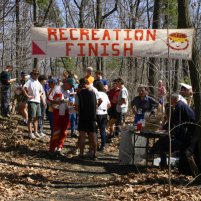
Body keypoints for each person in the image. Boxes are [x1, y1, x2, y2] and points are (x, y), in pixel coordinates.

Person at [150, 93, 195, 170]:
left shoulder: (179, 107)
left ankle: (153, 154)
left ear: (173, 100)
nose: (168, 101)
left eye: (169, 100)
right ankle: (157, 158)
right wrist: (164, 128)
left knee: (162, 144)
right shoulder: (179, 105)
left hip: (188, 137)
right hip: (184, 135)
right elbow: (173, 122)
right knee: (162, 142)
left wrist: (169, 132)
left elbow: (177, 124)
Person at [75, 78, 97, 159]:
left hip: (83, 116)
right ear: (87, 84)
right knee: (93, 134)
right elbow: (96, 104)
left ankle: (81, 154)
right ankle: (94, 153)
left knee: (82, 135)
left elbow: (77, 107)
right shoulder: (93, 93)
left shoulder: (78, 94)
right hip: (92, 116)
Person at [23, 69, 43, 139]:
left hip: (38, 101)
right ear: (32, 74)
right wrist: (28, 95)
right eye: (34, 74)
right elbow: (24, 88)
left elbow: (41, 91)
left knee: (37, 117)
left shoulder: (38, 82)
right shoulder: (29, 81)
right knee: (31, 117)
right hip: (31, 101)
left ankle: (36, 132)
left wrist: (39, 95)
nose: (36, 75)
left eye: (37, 74)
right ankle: (30, 132)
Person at [95, 82, 111, 151]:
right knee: (102, 130)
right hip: (104, 113)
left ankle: (95, 145)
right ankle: (103, 145)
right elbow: (109, 105)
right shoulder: (105, 94)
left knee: (94, 130)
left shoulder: (96, 94)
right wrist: (105, 109)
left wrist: (96, 108)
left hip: (97, 113)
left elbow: (96, 103)